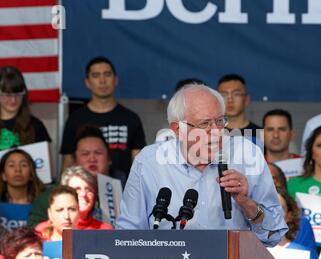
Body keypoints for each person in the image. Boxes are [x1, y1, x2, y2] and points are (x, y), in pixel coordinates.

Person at [117, 84, 288, 247]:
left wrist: (246, 203)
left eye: (220, 121)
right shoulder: (149, 161)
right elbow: (127, 235)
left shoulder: (247, 155)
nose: (215, 131)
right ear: (178, 129)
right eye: (204, 124)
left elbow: (275, 235)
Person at [60, 56, 147, 178]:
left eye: (107, 74)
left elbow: (139, 162)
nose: (102, 80)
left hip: (124, 189)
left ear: (115, 80)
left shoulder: (130, 118)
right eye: (96, 75)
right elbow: (68, 163)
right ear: (87, 82)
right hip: (85, 188)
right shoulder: (75, 119)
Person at [27, 125, 123, 227]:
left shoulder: (124, 192)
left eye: (98, 153)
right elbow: (34, 234)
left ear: (109, 159)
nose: (92, 158)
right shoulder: (51, 196)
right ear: (75, 161)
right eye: (85, 153)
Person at [34, 166, 113, 231]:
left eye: (88, 190)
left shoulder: (105, 230)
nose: (83, 194)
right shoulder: (43, 231)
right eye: (77, 189)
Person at [0, 66, 51, 151]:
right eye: (8, 94)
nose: (13, 100)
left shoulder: (36, 126)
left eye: (18, 93)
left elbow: (45, 162)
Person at [217, 74, 262, 144]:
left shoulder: (260, 134)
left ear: (247, 99)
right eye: (224, 95)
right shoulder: (211, 134)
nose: (230, 100)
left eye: (236, 94)